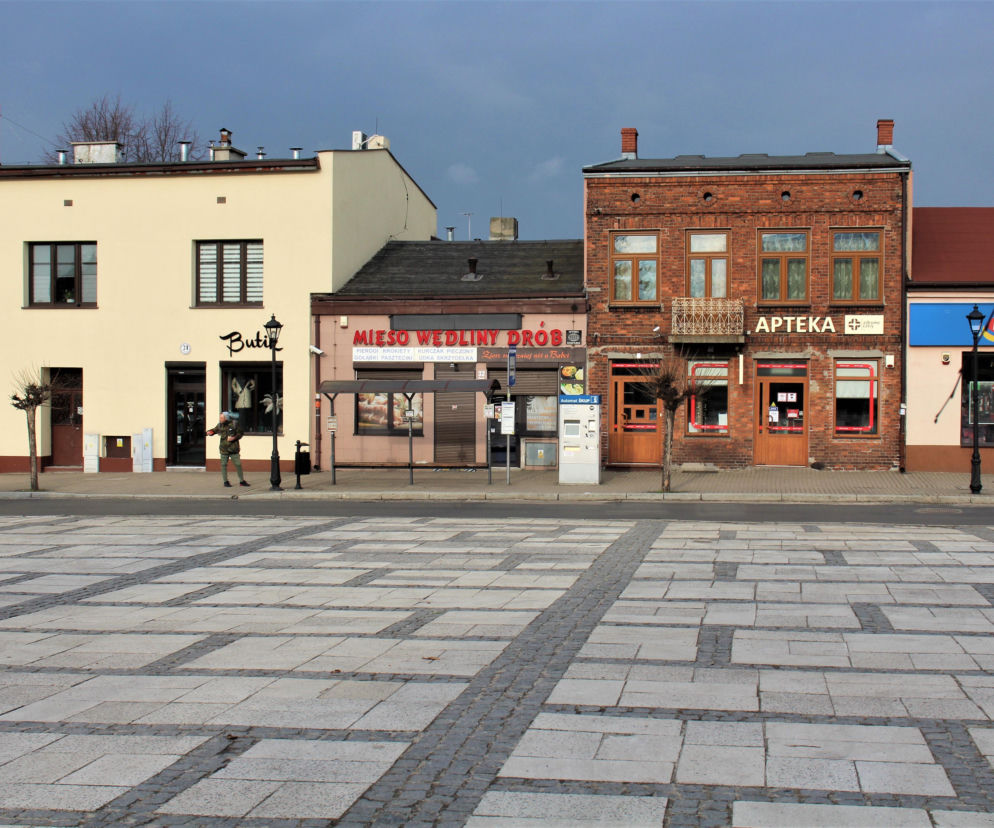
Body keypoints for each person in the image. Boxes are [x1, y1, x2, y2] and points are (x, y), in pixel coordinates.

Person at [207, 411, 249, 488]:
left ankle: (242, 481)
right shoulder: (220, 425)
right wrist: (210, 432)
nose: (220, 419)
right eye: (220, 417)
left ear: (226, 418)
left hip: (233, 449)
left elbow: (241, 433)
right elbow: (214, 430)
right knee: (223, 465)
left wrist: (234, 437)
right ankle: (225, 481)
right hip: (224, 449)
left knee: (238, 464)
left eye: (222, 418)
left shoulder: (234, 424)